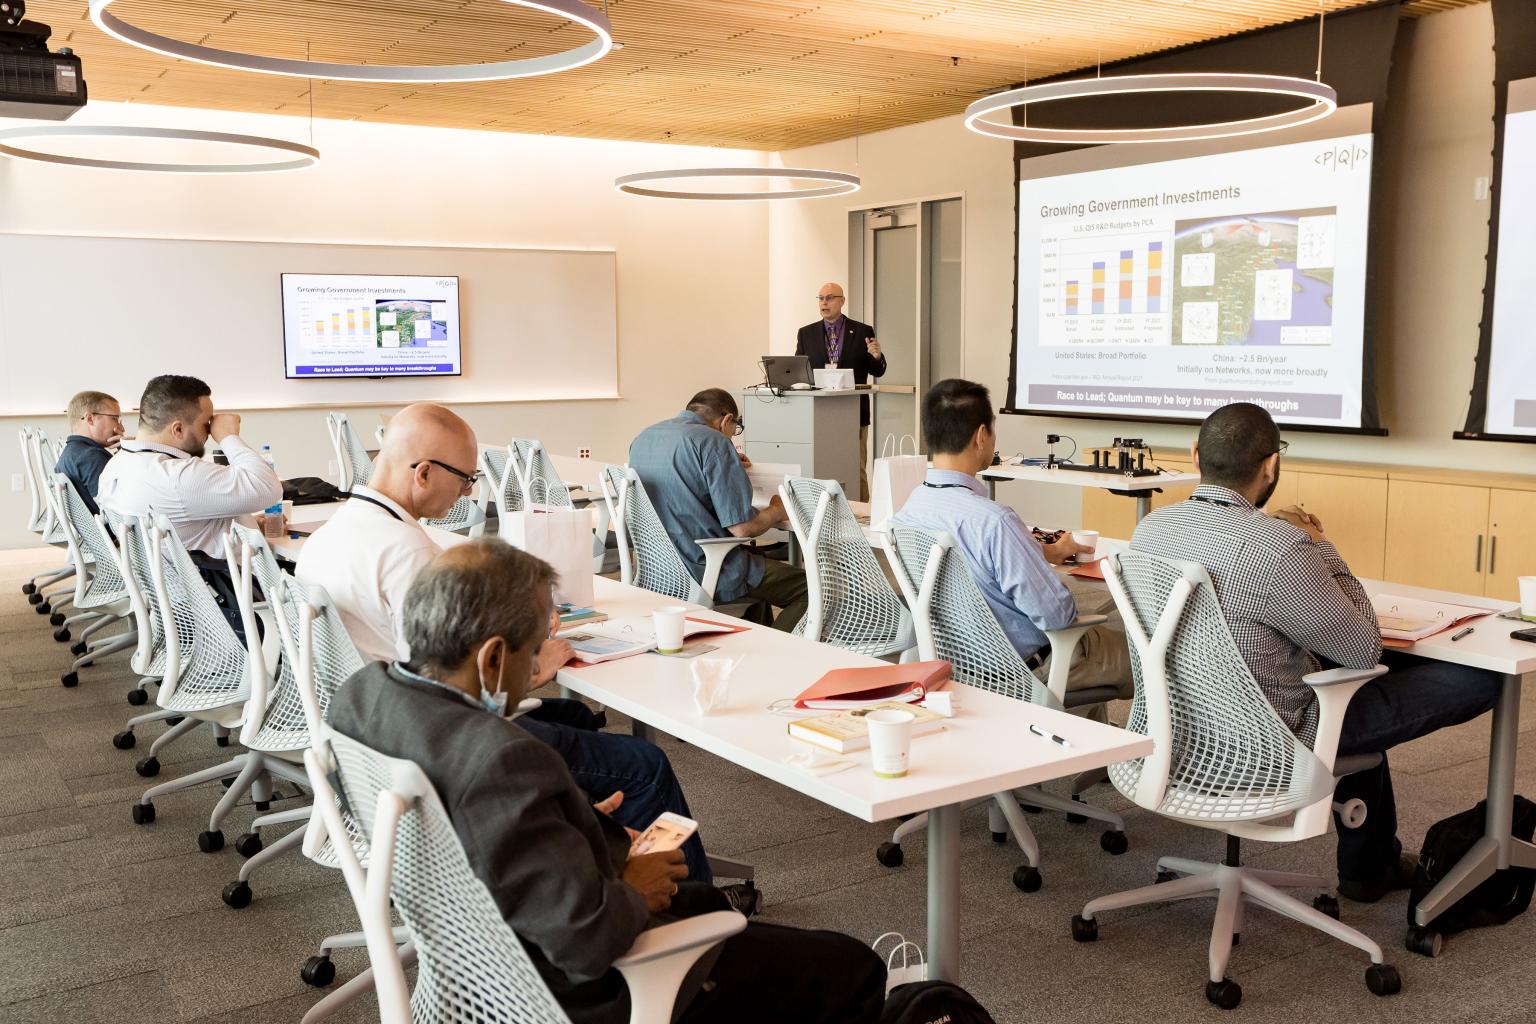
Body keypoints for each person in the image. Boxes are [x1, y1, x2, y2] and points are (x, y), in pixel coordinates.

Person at [327, 540, 886, 1024]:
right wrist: (632, 885)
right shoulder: (502, 761)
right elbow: (586, 942)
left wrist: (576, 822)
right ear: (493, 657)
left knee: (709, 899)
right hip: (572, 993)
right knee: (852, 967)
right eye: (533, 652)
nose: (537, 668)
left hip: (475, 959)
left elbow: (482, 838)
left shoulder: (360, 698)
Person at [300, 403, 720, 884]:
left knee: (577, 717)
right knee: (645, 764)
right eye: (464, 478)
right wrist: (538, 666)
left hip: (369, 739)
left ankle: (586, 839)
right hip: (436, 745)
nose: (467, 491)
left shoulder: (333, 534)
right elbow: (460, 688)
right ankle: (686, 907)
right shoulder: (404, 552)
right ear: (422, 473)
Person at [1131, 402, 1503, 901]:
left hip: (1178, 729)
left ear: (1196, 454)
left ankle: (1371, 863)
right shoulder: (1280, 546)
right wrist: (1319, 545)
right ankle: (1369, 868)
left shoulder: (1151, 529)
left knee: (1350, 685)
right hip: (1270, 743)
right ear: (1270, 466)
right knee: (1482, 678)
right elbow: (1363, 648)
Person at [892, 379, 1133, 710]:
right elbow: (1056, 616)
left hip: (959, 663)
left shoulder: (909, 511)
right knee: (1146, 652)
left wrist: (1038, 554)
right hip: (1025, 670)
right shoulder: (994, 521)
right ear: (981, 436)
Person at [96, 375, 281, 637]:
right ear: (178, 429)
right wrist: (229, 437)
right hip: (235, 601)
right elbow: (268, 488)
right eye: (206, 423)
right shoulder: (177, 476)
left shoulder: (117, 466)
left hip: (181, 601)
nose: (209, 431)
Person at [629, 388, 808, 632]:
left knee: (760, 579)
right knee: (814, 590)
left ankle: (748, 648)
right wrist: (777, 509)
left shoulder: (644, 438)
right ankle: (773, 654)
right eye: (736, 429)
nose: (733, 437)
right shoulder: (714, 442)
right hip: (705, 566)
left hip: (659, 569)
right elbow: (743, 527)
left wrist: (729, 466)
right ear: (726, 420)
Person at [795, 282, 886, 500]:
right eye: (820, 298)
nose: (824, 303)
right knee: (822, 467)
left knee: (855, 469)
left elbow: (877, 370)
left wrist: (877, 356)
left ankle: (863, 516)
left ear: (842, 301)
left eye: (829, 298)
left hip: (853, 414)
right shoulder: (806, 333)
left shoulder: (863, 331)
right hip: (819, 414)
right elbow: (799, 372)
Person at [55, 390, 125, 515]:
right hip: (117, 532)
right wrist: (128, 454)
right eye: (114, 419)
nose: (121, 428)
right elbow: (123, 507)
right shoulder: (92, 458)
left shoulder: (73, 453)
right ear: (90, 419)